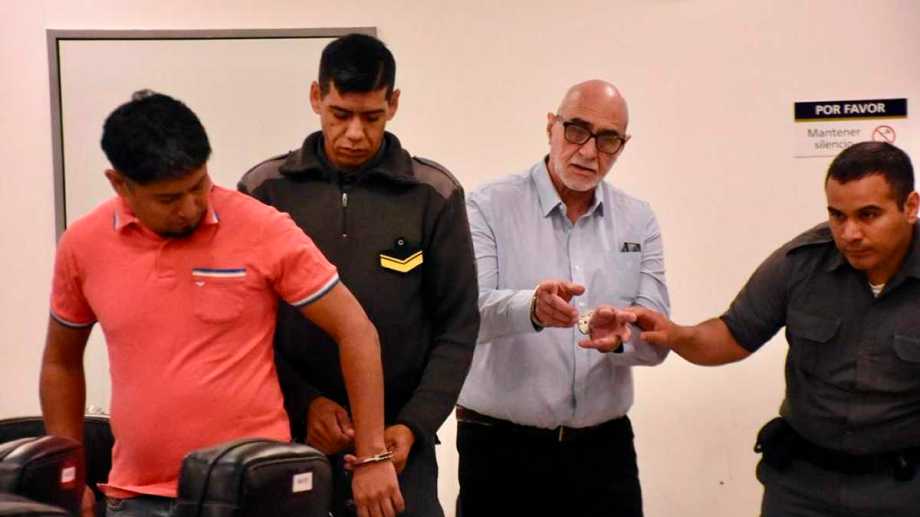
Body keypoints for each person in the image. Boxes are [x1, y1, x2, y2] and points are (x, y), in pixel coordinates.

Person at [39, 91, 404, 517]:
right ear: (119, 183)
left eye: (199, 185)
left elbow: (356, 330)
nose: (190, 207)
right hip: (136, 497)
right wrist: (68, 478)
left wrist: (372, 455)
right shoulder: (83, 245)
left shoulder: (261, 228)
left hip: (256, 494)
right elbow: (61, 363)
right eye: (169, 199)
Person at [239, 34, 479, 517]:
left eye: (371, 117)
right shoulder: (264, 190)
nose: (354, 133)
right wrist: (304, 402)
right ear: (316, 97)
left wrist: (415, 424)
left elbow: (457, 326)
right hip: (288, 436)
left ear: (393, 104)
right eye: (340, 114)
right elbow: (243, 325)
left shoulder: (433, 193)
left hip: (399, 444)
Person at [631, 141, 920, 516]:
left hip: (902, 487)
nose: (850, 233)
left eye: (868, 215)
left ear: (910, 207)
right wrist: (676, 335)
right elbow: (732, 335)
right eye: (837, 216)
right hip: (803, 486)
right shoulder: (802, 263)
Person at [455, 79, 670, 517]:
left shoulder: (638, 220)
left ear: (622, 146)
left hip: (603, 451)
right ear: (550, 126)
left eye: (607, 140)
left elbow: (658, 339)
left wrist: (623, 341)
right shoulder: (487, 206)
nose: (589, 152)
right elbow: (467, 318)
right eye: (576, 130)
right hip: (500, 450)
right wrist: (531, 309)